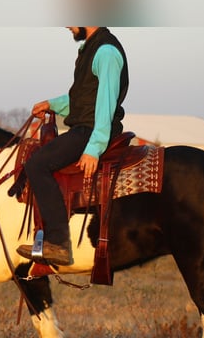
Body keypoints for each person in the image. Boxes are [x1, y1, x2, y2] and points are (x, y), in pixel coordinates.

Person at [16, 27, 129, 267]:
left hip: (89, 131)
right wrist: (52, 105)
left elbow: (106, 103)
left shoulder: (106, 51)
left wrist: (94, 147)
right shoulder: (90, 49)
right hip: (85, 126)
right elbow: (83, 99)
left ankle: (58, 243)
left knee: (37, 164)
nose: (67, 26)